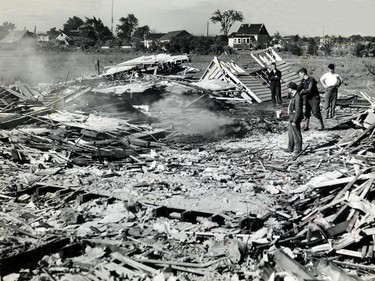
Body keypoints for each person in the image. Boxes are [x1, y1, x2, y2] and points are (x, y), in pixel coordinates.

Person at [286, 82, 303, 155]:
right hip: (291, 117)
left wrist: (295, 120)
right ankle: (290, 148)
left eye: (288, 88)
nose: (288, 89)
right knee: (290, 133)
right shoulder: (293, 96)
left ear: (291, 88)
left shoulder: (297, 97)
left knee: (296, 134)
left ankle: (298, 149)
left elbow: (298, 110)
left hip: (295, 118)